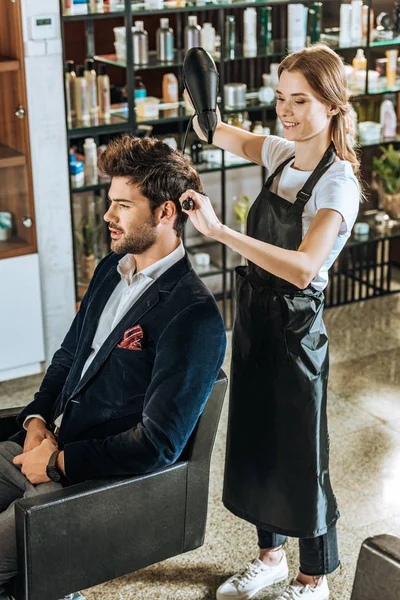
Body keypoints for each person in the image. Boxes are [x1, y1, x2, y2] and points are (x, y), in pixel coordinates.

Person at [0, 136, 226, 600]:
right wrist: (38, 420)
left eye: (123, 205)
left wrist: (59, 461)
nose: (108, 216)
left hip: (86, 481)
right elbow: (70, 355)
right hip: (44, 444)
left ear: (165, 213)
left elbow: (158, 445)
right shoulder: (112, 268)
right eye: (110, 203)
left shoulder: (193, 316)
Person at [180, 44, 360, 600]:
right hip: (256, 314)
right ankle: (271, 559)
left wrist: (221, 232)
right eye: (281, 98)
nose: (285, 110)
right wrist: (203, 108)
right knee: (258, 437)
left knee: (301, 454)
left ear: (331, 105)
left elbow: (306, 267)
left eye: (300, 100)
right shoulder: (281, 153)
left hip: (296, 327)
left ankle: (314, 579)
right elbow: (218, 133)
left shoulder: (338, 185)